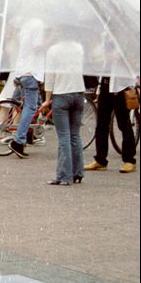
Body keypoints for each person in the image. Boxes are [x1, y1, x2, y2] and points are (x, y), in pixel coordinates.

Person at [40, 41, 86, 185]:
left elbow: (50, 77)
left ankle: (64, 176)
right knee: (75, 136)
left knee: (64, 137)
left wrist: (47, 100)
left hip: (61, 94)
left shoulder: (53, 50)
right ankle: (77, 172)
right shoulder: (79, 47)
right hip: (79, 93)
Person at [85, 74, 138, 174]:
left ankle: (129, 159)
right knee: (101, 124)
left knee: (124, 124)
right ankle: (100, 159)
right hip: (105, 86)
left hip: (121, 87)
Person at [8, 18, 46, 158]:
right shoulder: (38, 23)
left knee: (28, 105)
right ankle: (19, 140)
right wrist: (51, 41)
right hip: (31, 72)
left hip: (22, 70)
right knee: (30, 107)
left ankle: (29, 135)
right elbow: (37, 46)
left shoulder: (25, 23)